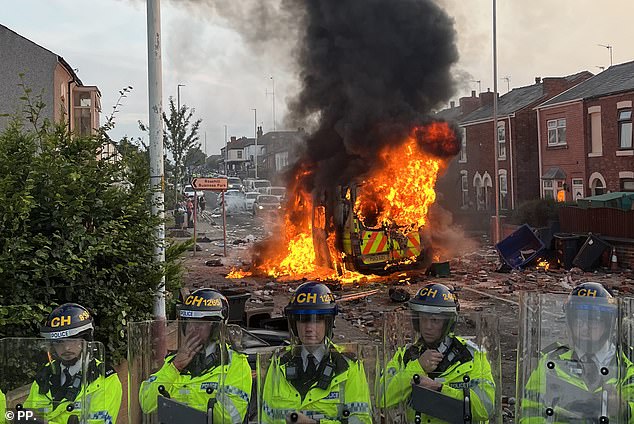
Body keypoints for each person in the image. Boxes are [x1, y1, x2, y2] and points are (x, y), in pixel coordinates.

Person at [381, 283, 495, 423]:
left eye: (435, 320)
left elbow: (484, 409)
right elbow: (383, 398)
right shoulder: (405, 356)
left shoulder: (470, 356)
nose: (428, 326)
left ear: (447, 322)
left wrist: (438, 388)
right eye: (423, 319)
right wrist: (417, 368)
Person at [519, 282, 634, 422]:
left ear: (608, 323)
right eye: (578, 321)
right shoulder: (551, 361)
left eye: (593, 320)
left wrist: (623, 409)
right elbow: (530, 411)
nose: (584, 328)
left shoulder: (629, 364)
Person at [260, 282, 372, 424]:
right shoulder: (279, 364)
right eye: (303, 321)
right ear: (294, 325)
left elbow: (361, 420)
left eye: (317, 320)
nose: (309, 328)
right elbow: (266, 418)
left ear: (328, 324)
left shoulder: (348, 366)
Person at [138, 288, 251, 424]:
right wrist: (175, 367)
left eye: (199, 324)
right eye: (189, 322)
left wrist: (179, 408)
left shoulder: (235, 364)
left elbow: (230, 417)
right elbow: (146, 403)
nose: (192, 328)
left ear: (216, 328)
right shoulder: (173, 361)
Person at [24, 303, 123, 423]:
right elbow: (27, 416)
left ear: (86, 340)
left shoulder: (104, 379)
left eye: (72, 339)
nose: (66, 348)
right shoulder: (45, 373)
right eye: (59, 341)